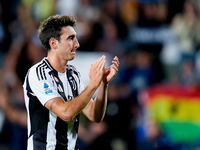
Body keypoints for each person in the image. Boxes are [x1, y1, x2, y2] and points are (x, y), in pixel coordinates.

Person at [23, 14, 119, 150]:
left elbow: (94, 115)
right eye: (71, 38)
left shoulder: (73, 75)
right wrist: (93, 84)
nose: (77, 44)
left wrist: (103, 83)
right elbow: (66, 113)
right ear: (53, 43)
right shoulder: (38, 74)